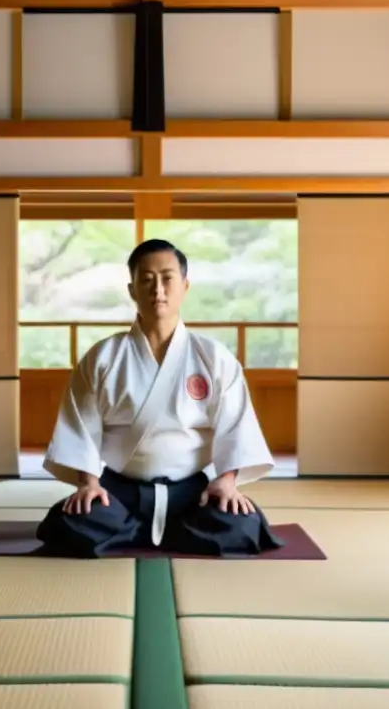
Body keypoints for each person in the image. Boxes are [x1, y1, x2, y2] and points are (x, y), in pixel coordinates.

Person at [35, 238, 284, 558]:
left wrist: (227, 480)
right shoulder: (103, 357)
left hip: (194, 491)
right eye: (147, 280)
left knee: (241, 525)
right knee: (70, 524)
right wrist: (88, 483)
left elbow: (236, 426)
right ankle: (171, 532)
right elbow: (80, 428)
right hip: (118, 491)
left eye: (167, 278)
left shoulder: (212, 357)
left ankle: (130, 532)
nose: (158, 290)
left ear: (185, 286)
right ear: (132, 289)